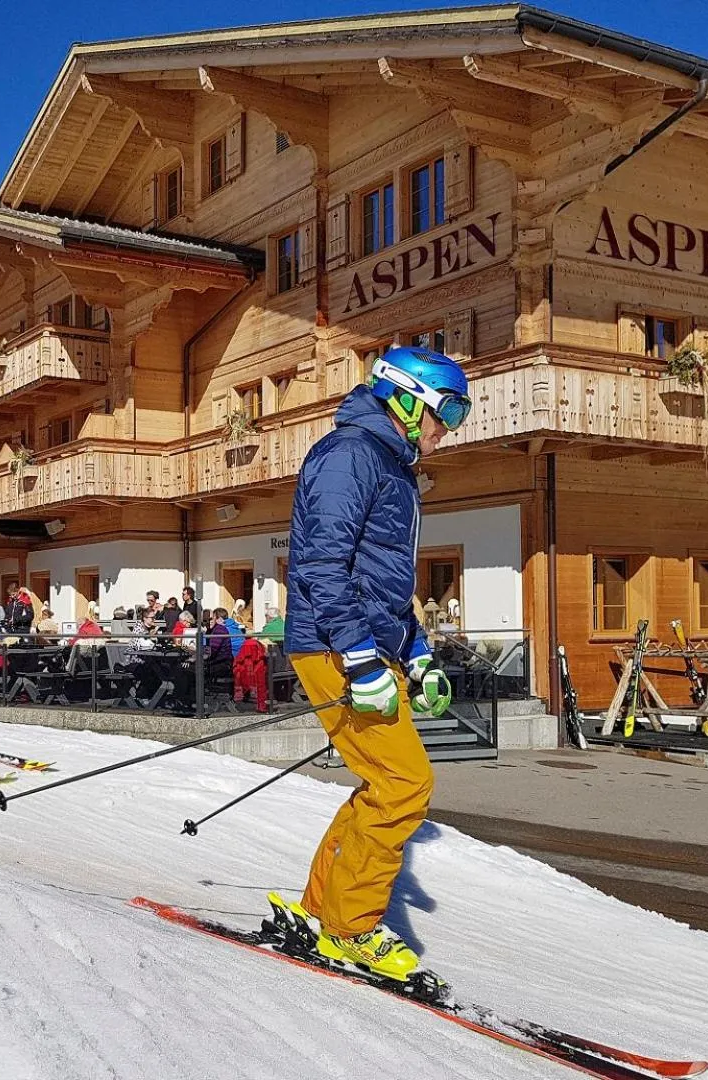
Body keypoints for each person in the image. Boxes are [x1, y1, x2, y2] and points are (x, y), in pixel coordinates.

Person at [285, 346, 464, 981]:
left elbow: (382, 584)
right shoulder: (352, 456)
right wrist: (361, 662)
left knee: (382, 784)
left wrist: (416, 655)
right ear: (409, 399)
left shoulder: (390, 465)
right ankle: (352, 928)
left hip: (360, 640)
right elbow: (320, 567)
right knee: (403, 784)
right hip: (335, 643)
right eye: (450, 411)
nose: (451, 428)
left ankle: (321, 909)